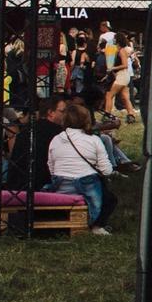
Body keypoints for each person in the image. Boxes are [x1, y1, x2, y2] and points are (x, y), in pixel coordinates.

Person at [47, 98, 118, 233]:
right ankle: (97, 225)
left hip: (61, 185)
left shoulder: (56, 139)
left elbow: (51, 165)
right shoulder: (94, 140)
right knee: (111, 199)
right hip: (87, 185)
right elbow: (107, 170)